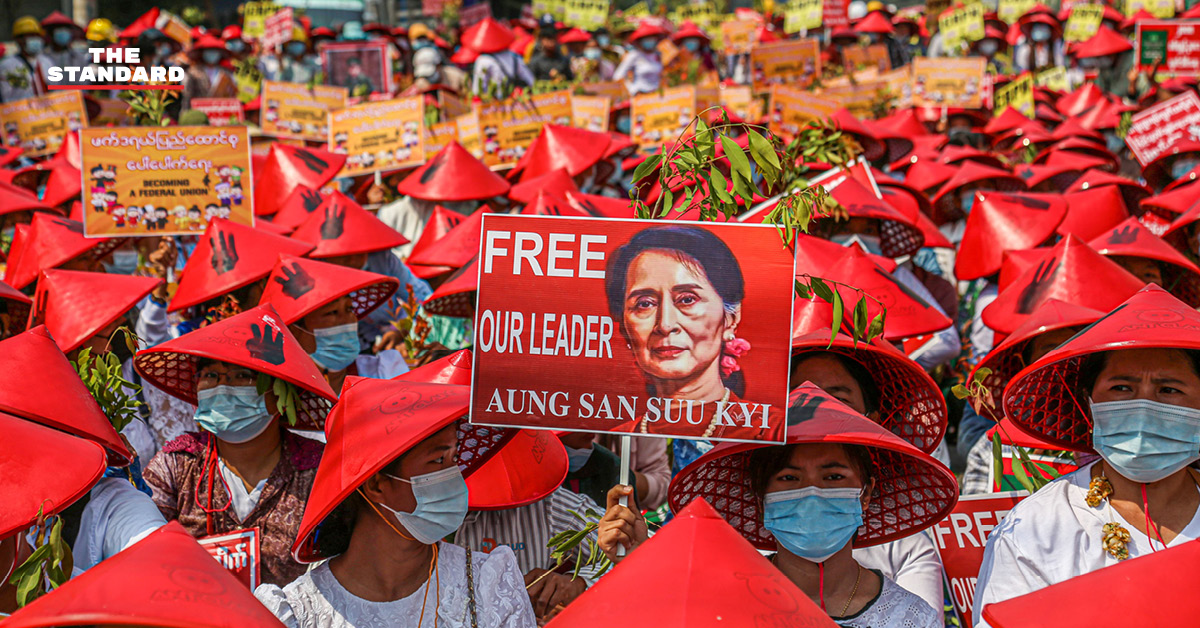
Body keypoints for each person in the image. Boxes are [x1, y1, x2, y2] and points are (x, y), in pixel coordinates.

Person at [599, 384, 958, 627]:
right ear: (761, 497)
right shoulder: (721, 610)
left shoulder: (911, 618)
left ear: (865, 493)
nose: (812, 493)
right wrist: (634, 565)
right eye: (790, 479)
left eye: (833, 478)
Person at [974, 285, 1200, 626]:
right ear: (1088, 403)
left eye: (1169, 390)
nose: (1143, 407)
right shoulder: (1038, 528)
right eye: (1121, 388)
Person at [254, 377, 537, 627]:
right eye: (437, 460)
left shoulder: (487, 584)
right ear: (377, 484)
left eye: (453, 459)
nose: (453, 478)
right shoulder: (299, 613)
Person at [138, 305, 338, 587]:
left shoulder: (319, 472)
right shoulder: (177, 465)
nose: (222, 387)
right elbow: (142, 550)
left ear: (280, 392)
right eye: (210, 376)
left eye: (242, 376)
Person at [605, 226, 779, 439]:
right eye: (645, 304)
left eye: (687, 300)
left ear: (730, 318)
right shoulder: (614, 439)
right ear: (624, 326)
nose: (666, 325)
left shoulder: (771, 431)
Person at [258, 255, 408, 391]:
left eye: (349, 309)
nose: (347, 321)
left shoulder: (385, 373)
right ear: (295, 331)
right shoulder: (278, 397)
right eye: (332, 313)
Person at [0, 17, 52, 102]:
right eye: (31, 36)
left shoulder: (46, 62)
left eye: (37, 36)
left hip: (47, 112)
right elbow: (5, 96)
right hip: (20, 113)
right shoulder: (7, 66)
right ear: (18, 40)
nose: (35, 39)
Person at [182, 34, 237, 109]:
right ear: (202, 53)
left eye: (215, 51)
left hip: (220, 113)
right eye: (209, 51)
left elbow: (232, 95)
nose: (212, 53)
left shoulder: (227, 73)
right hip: (199, 113)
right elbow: (187, 97)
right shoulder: (193, 73)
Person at [613, 22, 665, 95]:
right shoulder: (634, 55)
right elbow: (618, 76)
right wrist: (633, 90)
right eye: (646, 38)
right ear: (641, 40)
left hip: (657, 95)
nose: (649, 40)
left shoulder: (659, 54)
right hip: (639, 96)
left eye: (651, 37)